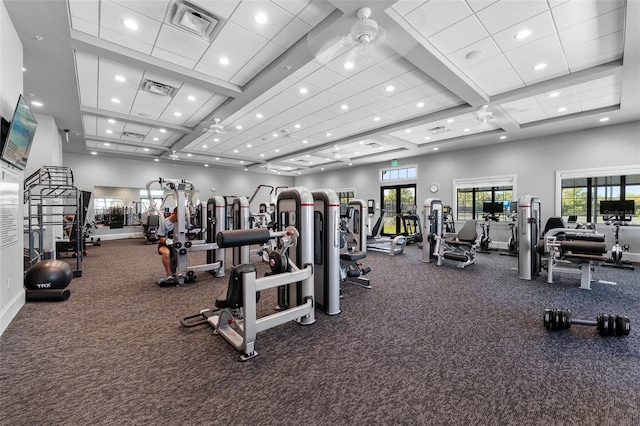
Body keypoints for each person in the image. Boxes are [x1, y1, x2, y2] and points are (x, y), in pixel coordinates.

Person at [157, 207, 178, 282]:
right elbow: (161, 238)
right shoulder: (164, 222)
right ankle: (169, 274)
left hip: (177, 244)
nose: (182, 217)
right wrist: (169, 242)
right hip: (164, 244)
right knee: (166, 253)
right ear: (174, 213)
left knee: (181, 253)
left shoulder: (182, 222)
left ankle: (175, 272)